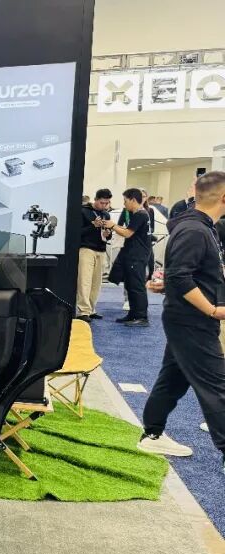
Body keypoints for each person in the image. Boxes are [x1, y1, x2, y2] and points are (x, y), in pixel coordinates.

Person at [139, 171, 225, 475]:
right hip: (192, 320)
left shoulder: (201, 227)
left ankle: (152, 434)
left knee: (173, 377)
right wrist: (212, 310)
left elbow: (185, 275)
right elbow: (180, 276)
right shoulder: (195, 230)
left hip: (187, 318)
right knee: (217, 386)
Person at [103, 189, 152, 327]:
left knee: (136, 286)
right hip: (133, 254)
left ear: (133, 200)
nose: (124, 204)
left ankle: (141, 317)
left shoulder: (140, 215)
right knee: (130, 285)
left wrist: (113, 226)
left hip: (137, 256)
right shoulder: (139, 214)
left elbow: (127, 233)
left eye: (125, 201)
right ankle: (133, 314)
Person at [76, 189, 113, 322]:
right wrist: (93, 225)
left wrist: (108, 235)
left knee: (96, 283)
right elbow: (76, 232)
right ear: (96, 199)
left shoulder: (106, 215)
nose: (104, 205)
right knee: (84, 281)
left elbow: (107, 235)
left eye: (107, 203)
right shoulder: (83, 211)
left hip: (101, 249)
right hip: (86, 249)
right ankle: (83, 311)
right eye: (102, 203)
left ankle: (91, 309)